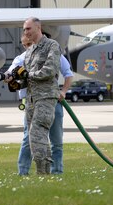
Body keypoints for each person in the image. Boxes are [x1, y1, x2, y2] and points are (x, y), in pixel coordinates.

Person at [7, 35, 74, 175]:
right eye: (24, 45)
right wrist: (8, 78)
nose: (28, 47)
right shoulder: (20, 59)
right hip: (31, 103)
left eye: (30, 44)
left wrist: (64, 91)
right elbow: (11, 73)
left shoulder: (52, 54)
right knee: (28, 138)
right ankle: (23, 172)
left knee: (56, 139)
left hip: (52, 101)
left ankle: (57, 171)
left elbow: (68, 73)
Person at [21, 17, 62, 175]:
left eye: (28, 29)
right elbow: (25, 78)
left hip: (45, 97)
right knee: (36, 137)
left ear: (39, 28)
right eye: (24, 29)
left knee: (37, 132)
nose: (26, 32)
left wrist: (27, 74)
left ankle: (42, 173)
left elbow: (50, 70)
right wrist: (14, 81)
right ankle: (44, 174)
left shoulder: (52, 45)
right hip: (31, 99)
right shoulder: (29, 52)